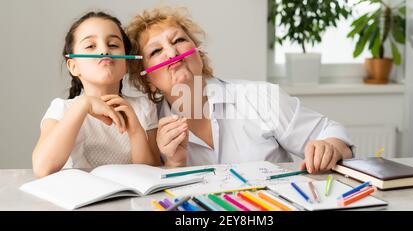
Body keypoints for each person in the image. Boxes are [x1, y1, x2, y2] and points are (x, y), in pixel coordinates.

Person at [126, 7, 354, 173]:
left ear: (199, 54)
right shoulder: (149, 130)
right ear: (147, 81)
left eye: (178, 40)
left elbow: (330, 133)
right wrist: (173, 164)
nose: (172, 53)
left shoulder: (261, 97)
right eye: (156, 51)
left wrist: (331, 147)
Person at [32, 12, 161, 178]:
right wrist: (84, 105)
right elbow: (42, 168)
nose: (104, 50)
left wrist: (135, 131)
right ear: (73, 66)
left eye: (113, 45)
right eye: (90, 46)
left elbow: (152, 174)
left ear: (126, 63)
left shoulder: (144, 107)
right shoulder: (62, 109)